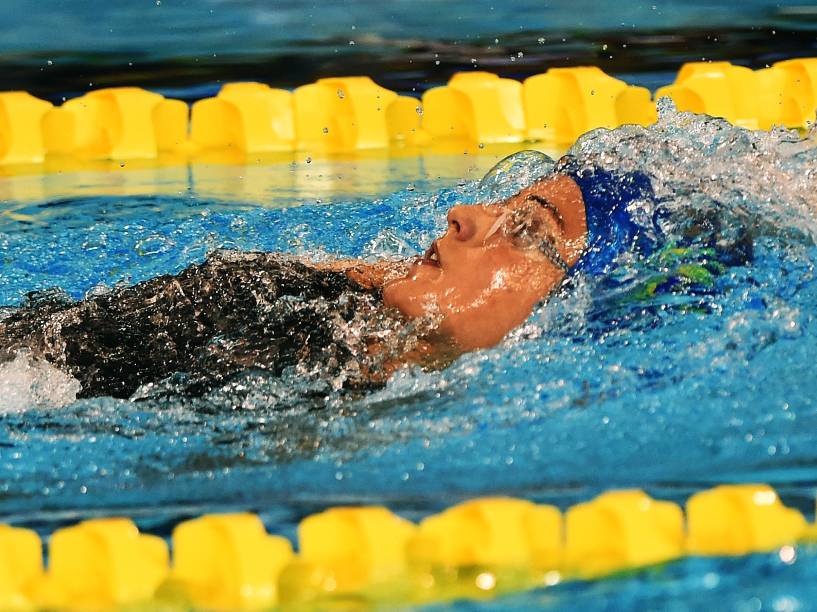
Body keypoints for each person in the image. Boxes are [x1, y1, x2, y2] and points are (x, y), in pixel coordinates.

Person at [0, 151, 739, 401]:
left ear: (579, 312)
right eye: (501, 207)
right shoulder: (299, 301)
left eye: (527, 231)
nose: (462, 214)